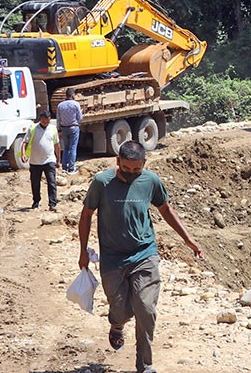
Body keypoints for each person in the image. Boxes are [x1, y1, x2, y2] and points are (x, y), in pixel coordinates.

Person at [79, 141, 202, 373]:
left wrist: (187, 239)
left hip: (144, 253)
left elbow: (165, 209)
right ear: (118, 162)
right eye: (126, 169)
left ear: (144, 164)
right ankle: (116, 325)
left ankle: (145, 365)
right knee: (122, 310)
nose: (132, 174)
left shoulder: (150, 181)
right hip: (113, 258)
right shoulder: (102, 183)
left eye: (137, 170)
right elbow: (86, 216)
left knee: (145, 308)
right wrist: (83, 252)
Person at [22, 110, 61, 211]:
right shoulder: (33, 128)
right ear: (40, 119)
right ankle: (36, 202)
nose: (46, 123)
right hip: (35, 161)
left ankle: (52, 204)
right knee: (35, 183)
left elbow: (57, 145)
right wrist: (23, 154)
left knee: (51, 182)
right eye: (44, 121)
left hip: (49, 160)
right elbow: (25, 143)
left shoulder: (53, 128)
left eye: (47, 121)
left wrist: (58, 160)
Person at [57, 88, 83, 174]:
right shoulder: (76, 104)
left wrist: (59, 129)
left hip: (64, 128)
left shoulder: (60, 105)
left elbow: (58, 119)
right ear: (72, 95)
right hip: (73, 128)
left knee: (66, 148)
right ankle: (71, 168)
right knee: (73, 148)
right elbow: (80, 118)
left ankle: (64, 167)